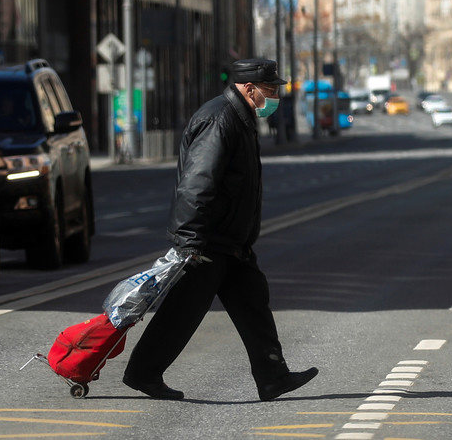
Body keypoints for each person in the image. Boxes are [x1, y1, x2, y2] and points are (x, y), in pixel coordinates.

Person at [121, 58, 318, 402]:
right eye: (270, 91)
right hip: (208, 240)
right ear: (249, 88)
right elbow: (197, 184)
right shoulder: (219, 120)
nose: (274, 98)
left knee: (253, 302)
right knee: (183, 312)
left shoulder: (238, 118)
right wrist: (189, 241)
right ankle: (142, 372)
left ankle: (273, 376)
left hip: (230, 241)